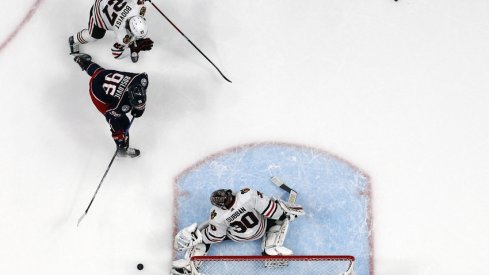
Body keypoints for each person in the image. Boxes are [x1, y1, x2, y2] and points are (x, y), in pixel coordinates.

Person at [171, 188, 305, 275]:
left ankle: (189, 266)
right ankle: (271, 249)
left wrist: (198, 237)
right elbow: (272, 211)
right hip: (261, 227)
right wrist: (285, 213)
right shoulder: (247, 194)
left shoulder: (216, 214)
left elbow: (216, 237)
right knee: (280, 216)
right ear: (228, 193)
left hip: (238, 236)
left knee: (202, 231)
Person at [73, 53, 148, 157]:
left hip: (106, 76)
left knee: (98, 72)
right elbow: (111, 118)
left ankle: (84, 63)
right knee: (124, 122)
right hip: (97, 91)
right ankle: (122, 150)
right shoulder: (119, 106)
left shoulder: (141, 79)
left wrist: (139, 108)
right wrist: (118, 137)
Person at [69, 0, 154, 62]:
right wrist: (133, 50)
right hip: (99, 11)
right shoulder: (122, 35)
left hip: (109, 3)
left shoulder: (139, 7)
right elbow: (116, 53)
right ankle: (74, 40)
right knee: (94, 36)